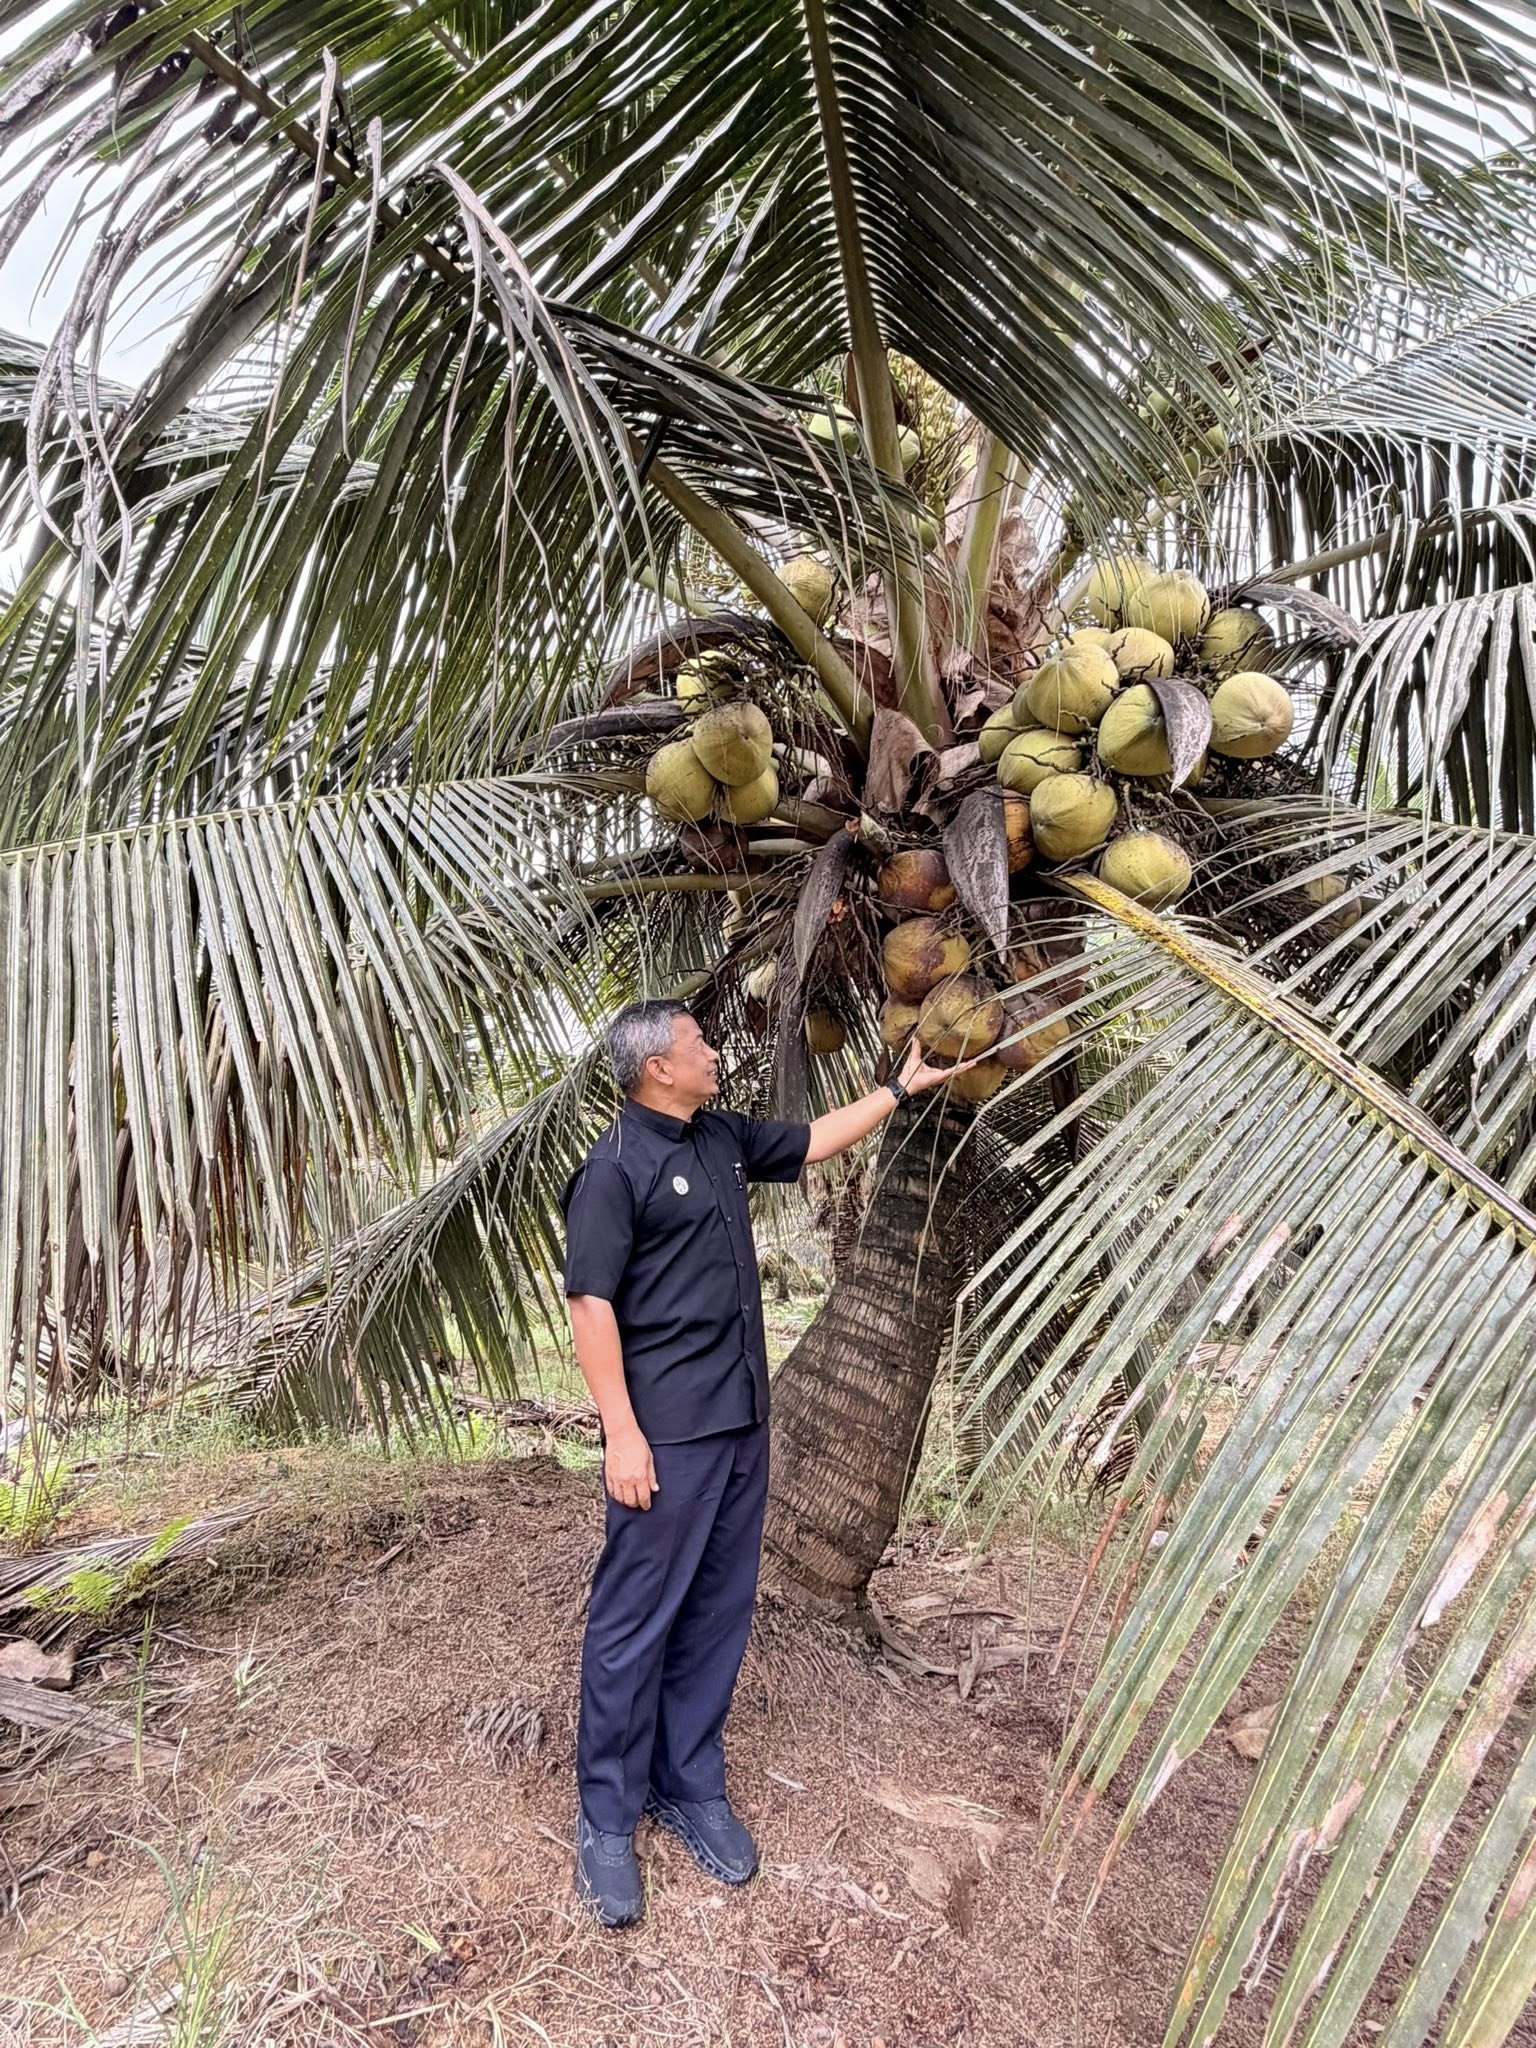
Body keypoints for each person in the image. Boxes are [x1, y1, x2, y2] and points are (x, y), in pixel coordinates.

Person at [560, 998, 967, 1927]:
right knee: (634, 1619)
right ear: (657, 1066)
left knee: (717, 1607)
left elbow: (816, 1140)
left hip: (742, 1422)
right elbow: (591, 1305)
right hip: (665, 1435)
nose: (713, 1051)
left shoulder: (717, 1137)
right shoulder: (613, 1170)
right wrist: (621, 1433)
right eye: (697, 1043)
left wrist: (898, 1090)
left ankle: (688, 1780)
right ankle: (606, 1817)